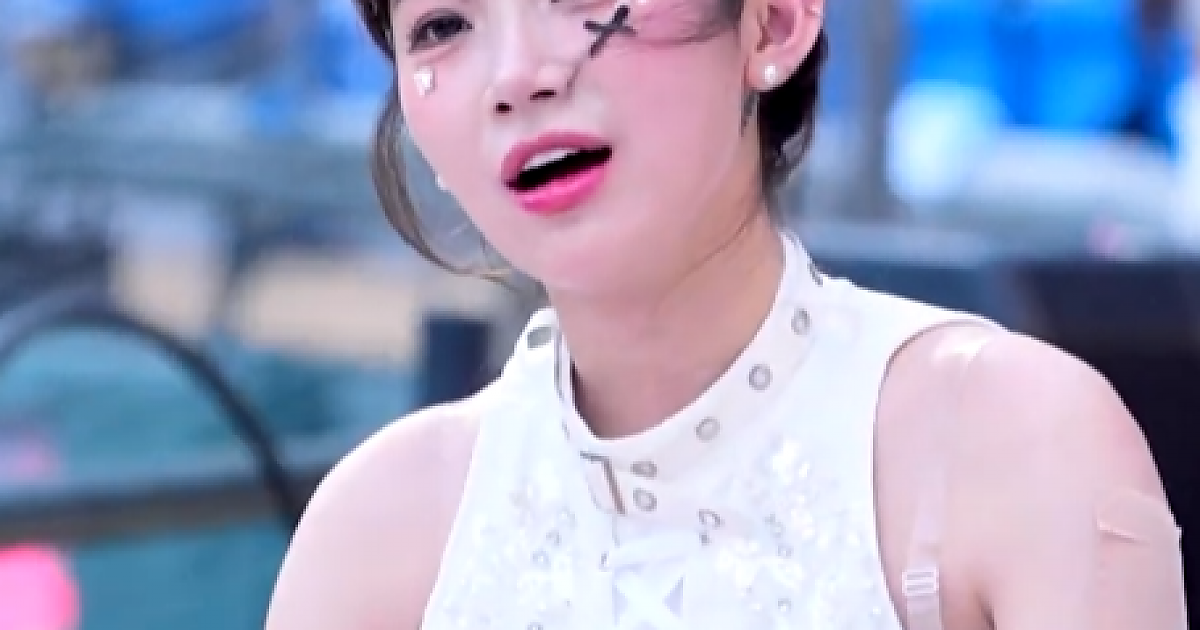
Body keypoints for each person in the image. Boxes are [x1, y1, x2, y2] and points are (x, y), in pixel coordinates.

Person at [265, 0, 1189, 626]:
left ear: (774, 21)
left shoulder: (1018, 444)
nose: (516, 76)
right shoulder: (376, 534)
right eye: (442, 26)